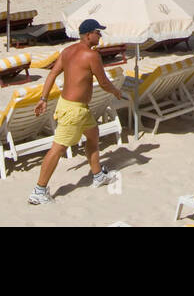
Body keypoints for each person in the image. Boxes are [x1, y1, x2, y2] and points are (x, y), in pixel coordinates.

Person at [28, 19, 124, 205]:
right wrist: (116, 91)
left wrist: (44, 98)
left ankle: (97, 175)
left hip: (72, 107)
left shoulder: (67, 51)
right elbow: (103, 82)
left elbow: (52, 74)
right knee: (58, 149)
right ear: (88, 34)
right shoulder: (91, 55)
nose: (100, 35)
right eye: (98, 32)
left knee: (93, 135)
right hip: (74, 111)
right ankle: (39, 191)